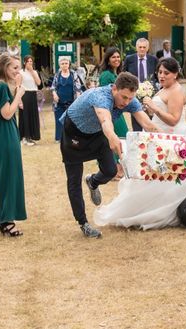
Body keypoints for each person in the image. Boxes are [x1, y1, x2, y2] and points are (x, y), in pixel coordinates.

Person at [94, 58, 186, 230]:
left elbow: (174, 120)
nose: (161, 76)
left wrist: (154, 108)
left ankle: (166, 211)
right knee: (152, 177)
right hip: (157, 135)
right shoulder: (164, 88)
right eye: (160, 72)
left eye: (166, 73)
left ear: (175, 74)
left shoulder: (176, 91)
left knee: (168, 178)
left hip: (173, 137)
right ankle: (147, 208)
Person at [59, 72, 158, 238]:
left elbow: (147, 123)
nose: (126, 102)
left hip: (97, 134)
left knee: (111, 170)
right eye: (123, 97)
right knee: (74, 181)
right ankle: (83, 223)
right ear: (114, 88)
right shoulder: (100, 97)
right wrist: (113, 139)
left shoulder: (129, 99)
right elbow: (105, 120)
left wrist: (170, 142)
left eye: (130, 98)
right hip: (74, 135)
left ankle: (93, 181)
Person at [0, 53, 27, 237]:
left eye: (19, 68)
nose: (18, 71)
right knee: (8, 176)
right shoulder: (1, 86)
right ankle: (6, 220)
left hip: (4, 133)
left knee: (7, 175)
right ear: (4, 68)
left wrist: (16, 93)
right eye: (14, 68)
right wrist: (19, 94)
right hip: (5, 133)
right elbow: (7, 113)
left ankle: (2, 217)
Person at [98, 47, 128, 176]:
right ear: (108, 60)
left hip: (117, 112)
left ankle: (120, 168)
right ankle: (115, 170)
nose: (116, 59)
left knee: (122, 136)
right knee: (116, 137)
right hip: (110, 111)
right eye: (113, 57)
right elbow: (106, 95)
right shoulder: (106, 75)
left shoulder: (117, 74)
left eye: (118, 57)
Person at [123, 38, 158, 132]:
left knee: (150, 123)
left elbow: (157, 76)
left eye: (144, 47)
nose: (142, 49)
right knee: (136, 122)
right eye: (140, 47)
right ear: (136, 48)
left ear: (148, 48)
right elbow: (124, 75)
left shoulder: (153, 59)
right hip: (134, 95)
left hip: (150, 95)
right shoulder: (129, 59)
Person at [50, 56, 86, 142]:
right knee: (59, 120)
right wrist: (54, 94)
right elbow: (53, 87)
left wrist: (77, 99)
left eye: (66, 63)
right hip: (59, 102)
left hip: (71, 101)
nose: (64, 65)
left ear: (69, 64)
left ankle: (71, 137)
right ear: (59, 65)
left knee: (71, 120)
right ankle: (59, 138)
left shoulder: (74, 74)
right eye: (62, 64)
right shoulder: (57, 75)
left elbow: (78, 87)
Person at [18, 55, 42, 145]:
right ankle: (24, 137)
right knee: (25, 116)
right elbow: (18, 85)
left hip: (33, 94)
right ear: (24, 63)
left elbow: (39, 83)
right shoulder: (21, 72)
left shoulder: (35, 72)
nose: (30, 63)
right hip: (25, 94)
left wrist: (32, 72)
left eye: (31, 61)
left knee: (33, 115)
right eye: (28, 61)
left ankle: (32, 136)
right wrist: (19, 99)